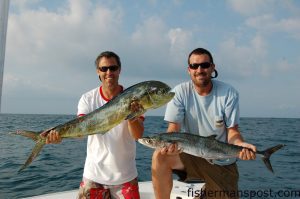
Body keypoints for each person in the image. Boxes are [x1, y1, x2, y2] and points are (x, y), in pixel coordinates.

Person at [151, 47, 256, 199]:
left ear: (212, 68)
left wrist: (241, 145)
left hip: (221, 161)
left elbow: (232, 131)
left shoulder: (228, 93)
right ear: (189, 70)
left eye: (205, 65)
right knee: (159, 156)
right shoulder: (179, 92)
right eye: (194, 66)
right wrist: (168, 146)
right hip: (189, 155)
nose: (199, 69)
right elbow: (173, 128)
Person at [42, 51, 144, 199]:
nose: (109, 72)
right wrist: (58, 135)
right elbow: (81, 131)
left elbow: (138, 135)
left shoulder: (134, 97)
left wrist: (132, 116)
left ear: (119, 70)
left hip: (126, 177)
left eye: (113, 68)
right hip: (94, 176)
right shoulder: (88, 98)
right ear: (98, 71)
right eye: (104, 69)